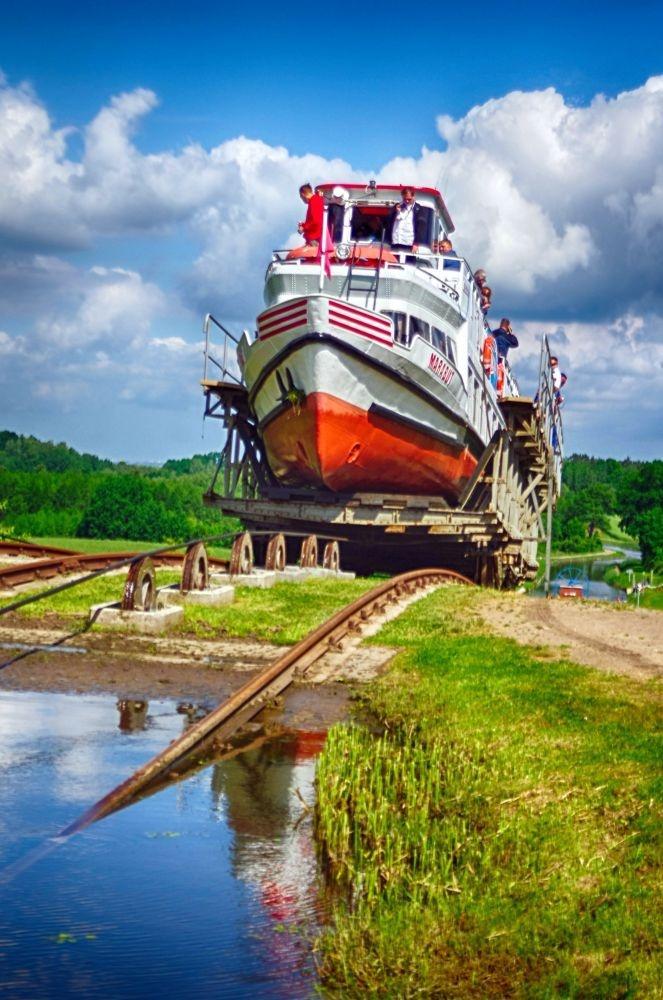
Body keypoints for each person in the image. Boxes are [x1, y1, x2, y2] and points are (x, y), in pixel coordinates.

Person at [387, 187, 427, 251]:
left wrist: (416, 243)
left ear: (413, 196)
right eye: (404, 199)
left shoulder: (419, 209)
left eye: (409, 199)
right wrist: (395, 211)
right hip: (396, 241)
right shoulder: (397, 206)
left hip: (409, 243)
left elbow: (421, 227)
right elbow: (388, 221)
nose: (407, 201)